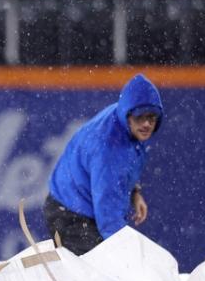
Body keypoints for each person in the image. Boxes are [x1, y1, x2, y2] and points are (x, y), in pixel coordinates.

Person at [44, 73, 164, 255]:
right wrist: (126, 256)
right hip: (70, 215)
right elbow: (109, 217)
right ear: (128, 115)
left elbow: (126, 168)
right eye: (141, 117)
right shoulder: (110, 149)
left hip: (76, 207)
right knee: (103, 274)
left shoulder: (124, 122)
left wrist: (134, 192)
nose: (147, 124)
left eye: (152, 117)